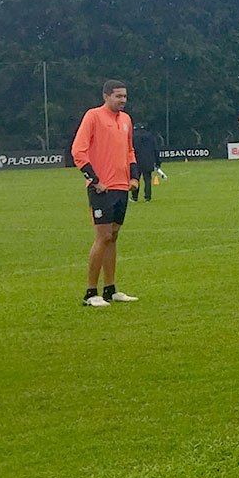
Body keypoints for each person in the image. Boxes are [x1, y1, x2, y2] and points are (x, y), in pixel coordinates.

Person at [72, 79, 139, 307]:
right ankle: (90, 293)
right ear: (106, 96)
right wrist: (94, 179)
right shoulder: (93, 116)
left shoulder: (126, 120)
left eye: (125, 96)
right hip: (102, 188)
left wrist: (134, 176)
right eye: (118, 96)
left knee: (113, 236)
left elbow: (130, 150)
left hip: (121, 187)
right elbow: (78, 151)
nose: (123, 100)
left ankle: (110, 289)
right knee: (102, 237)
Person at [130, 125, 161, 202]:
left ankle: (135, 197)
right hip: (149, 161)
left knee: (136, 179)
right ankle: (148, 197)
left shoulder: (133, 137)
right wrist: (157, 161)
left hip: (136, 161)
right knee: (147, 179)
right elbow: (156, 149)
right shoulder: (150, 136)